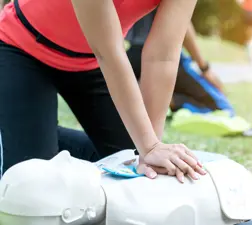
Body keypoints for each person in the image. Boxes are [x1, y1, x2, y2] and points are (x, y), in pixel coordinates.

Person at [0, 0, 207, 182]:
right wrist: (149, 146)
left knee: (131, 158)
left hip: (90, 63)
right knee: (31, 180)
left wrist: (151, 149)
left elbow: (163, 55)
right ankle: (14, 131)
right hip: (21, 48)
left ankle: (26, 129)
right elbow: (108, 51)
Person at [0, 150, 252, 225]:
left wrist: (149, 147)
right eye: (60, 171)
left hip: (228, 181)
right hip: (227, 189)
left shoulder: (91, 187)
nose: (64, 156)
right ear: (68, 214)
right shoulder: (142, 210)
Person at [125, 9, 235, 115]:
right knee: (223, 109)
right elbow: (183, 24)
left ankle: (148, 94)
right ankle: (160, 99)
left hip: (133, 55)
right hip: (164, 55)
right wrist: (204, 68)